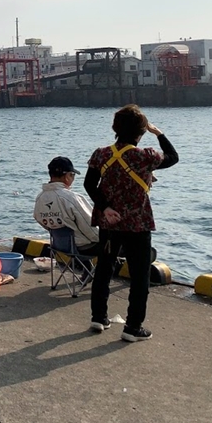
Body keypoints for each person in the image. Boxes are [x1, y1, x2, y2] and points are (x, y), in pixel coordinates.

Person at [84, 104, 179, 342]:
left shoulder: (101, 154)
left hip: (109, 222)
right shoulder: (145, 156)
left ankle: (99, 317)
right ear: (141, 132)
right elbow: (173, 157)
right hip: (137, 223)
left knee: (104, 269)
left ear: (115, 128)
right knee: (139, 276)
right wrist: (159, 133)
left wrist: (106, 208)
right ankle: (133, 327)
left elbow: (89, 185)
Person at [33, 156, 101, 256]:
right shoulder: (71, 198)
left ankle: (84, 267)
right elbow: (90, 227)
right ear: (67, 176)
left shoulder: (39, 198)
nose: (73, 178)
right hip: (83, 247)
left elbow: (39, 219)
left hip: (60, 247)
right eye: (73, 175)